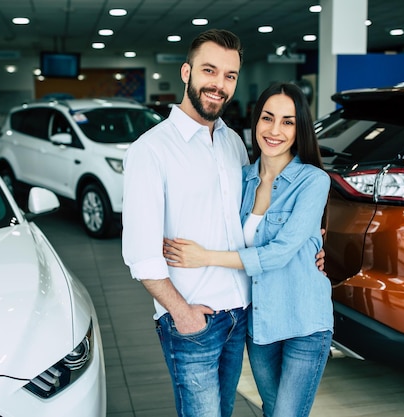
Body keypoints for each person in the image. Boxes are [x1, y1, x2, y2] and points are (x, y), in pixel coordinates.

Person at [121, 30, 325, 417]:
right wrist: (181, 313)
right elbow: (140, 256)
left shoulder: (234, 143)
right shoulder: (150, 151)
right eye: (209, 71)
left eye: (229, 75)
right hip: (194, 321)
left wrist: (310, 248)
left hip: (244, 316)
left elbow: (261, 224)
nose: (219, 84)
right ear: (186, 72)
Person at [163, 82, 333, 417]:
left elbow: (280, 252)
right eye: (268, 118)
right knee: (272, 410)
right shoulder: (240, 179)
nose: (274, 130)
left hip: (304, 321)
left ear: (299, 129)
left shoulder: (313, 180)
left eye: (287, 121)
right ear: (255, 122)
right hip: (261, 323)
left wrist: (205, 257)